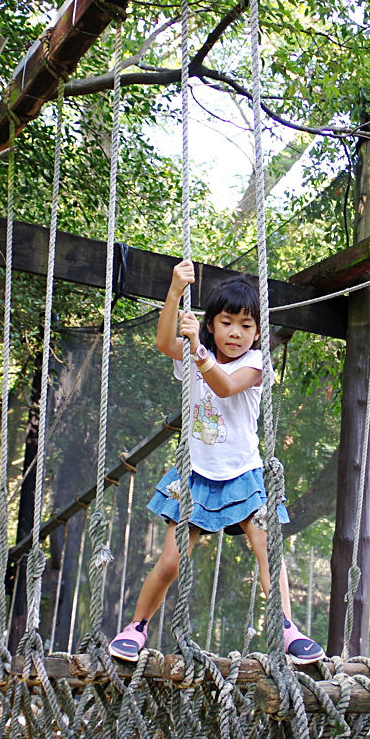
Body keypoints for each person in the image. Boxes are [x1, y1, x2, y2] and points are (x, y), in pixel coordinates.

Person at [109, 259, 324, 664]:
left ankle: (285, 628)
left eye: (246, 326)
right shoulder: (194, 352)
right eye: (227, 323)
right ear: (211, 324)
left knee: (266, 548)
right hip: (195, 476)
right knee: (171, 562)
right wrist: (174, 291)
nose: (236, 333)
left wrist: (198, 350)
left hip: (244, 473)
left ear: (258, 333)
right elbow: (164, 343)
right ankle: (136, 627)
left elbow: (224, 388)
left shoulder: (256, 364)